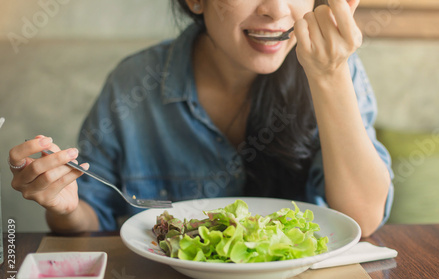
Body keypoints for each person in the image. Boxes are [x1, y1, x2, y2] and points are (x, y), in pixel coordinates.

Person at [9, 0, 393, 237]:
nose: (277, 10)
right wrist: (66, 208)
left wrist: (329, 76)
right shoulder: (134, 84)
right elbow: (92, 221)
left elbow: (362, 218)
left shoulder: (336, 69)